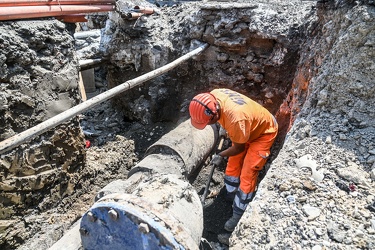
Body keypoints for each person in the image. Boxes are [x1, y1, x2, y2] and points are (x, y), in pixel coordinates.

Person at [189, 88, 278, 236]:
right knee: (233, 165)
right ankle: (230, 193)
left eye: (208, 122)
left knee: (248, 172)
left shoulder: (236, 119)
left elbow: (238, 148)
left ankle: (239, 212)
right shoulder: (215, 95)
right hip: (246, 126)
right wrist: (225, 126)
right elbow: (228, 116)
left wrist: (221, 155)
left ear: (215, 113)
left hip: (263, 133)